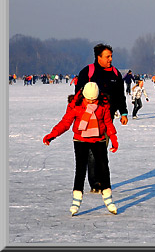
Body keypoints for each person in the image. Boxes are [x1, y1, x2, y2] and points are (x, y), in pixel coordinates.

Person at [43, 82, 119, 215]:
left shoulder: (103, 105)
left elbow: (108, 123)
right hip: (80, 140)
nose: (91, 101)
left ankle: (108, 198)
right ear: (83, 96)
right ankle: (76, 200)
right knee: (80, 169)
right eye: (88, 99)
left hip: (99, 139)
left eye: (94, 99)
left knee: (103, 168)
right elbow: (65, 123)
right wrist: (52, 135)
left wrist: (113, 139)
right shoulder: (76, 106)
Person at [74, 43, 127, 194]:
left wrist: (123, 113)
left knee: (101, 150)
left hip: (107, 118)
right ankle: (95, 182)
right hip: (89, 118)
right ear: (99, 57)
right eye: (107, 57)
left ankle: (100, 179)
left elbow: (120, 95)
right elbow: (78, 94)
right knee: (92, 152)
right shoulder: (88, 72)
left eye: (111, 56)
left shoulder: (115, 73)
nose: (110, 59)